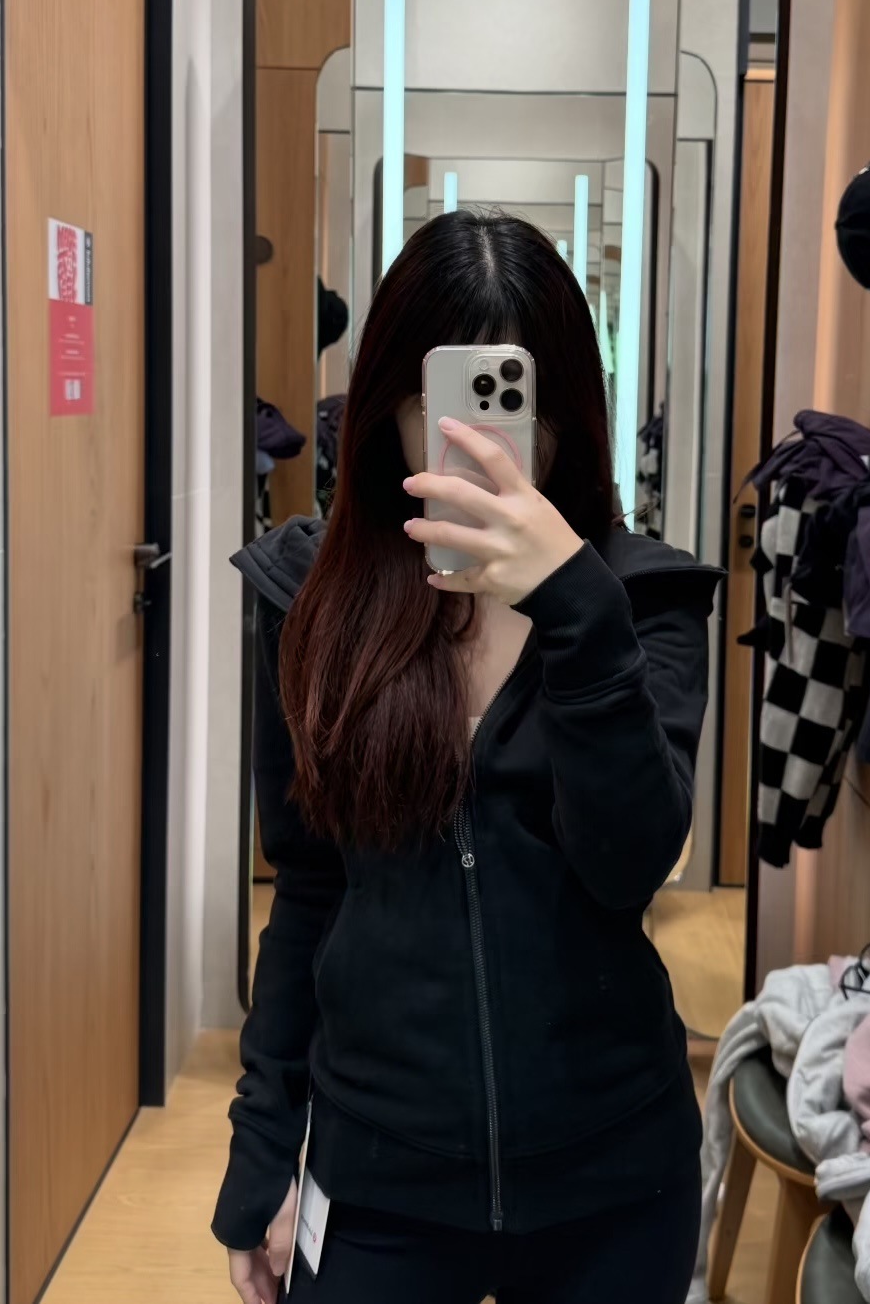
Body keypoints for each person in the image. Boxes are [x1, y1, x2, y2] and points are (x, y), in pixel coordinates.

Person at [217, 211, 720, 1304]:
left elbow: (630, 864)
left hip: (612, 1177)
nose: (480, 443)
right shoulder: (306, 600)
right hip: (378, 1172)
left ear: (565, 414)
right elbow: (306, 887)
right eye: (439, 405)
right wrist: (264, 1144)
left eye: (513, 405)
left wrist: (575, 608)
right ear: (388, 408)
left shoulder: (643, 601)